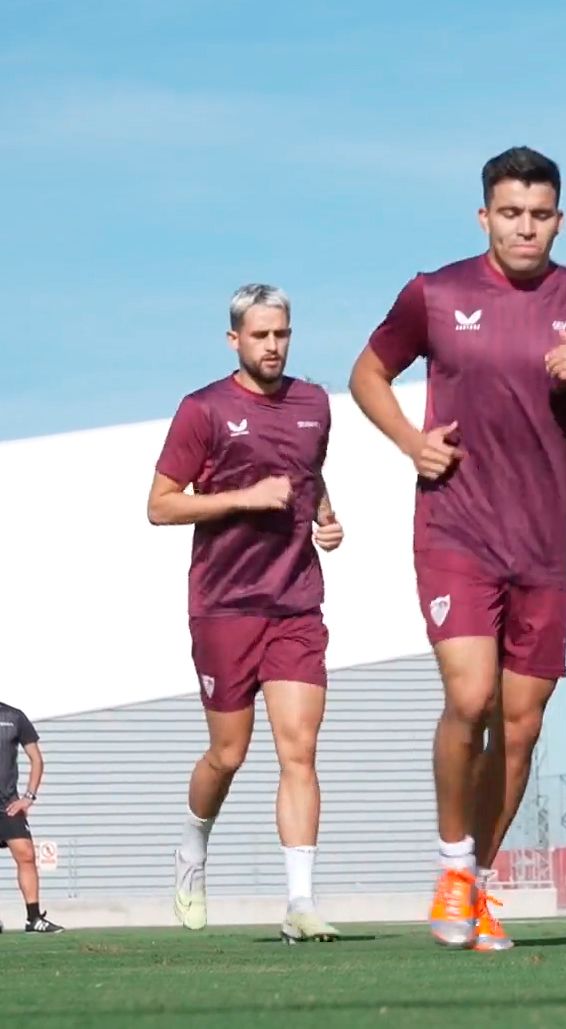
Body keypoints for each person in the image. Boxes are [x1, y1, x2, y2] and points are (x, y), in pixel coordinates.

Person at [348, 146, 566, 951]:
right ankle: (452, 868)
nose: (525, 227)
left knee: (519, 724)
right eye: (510, 213)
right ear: (484, 217)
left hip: (548, 545)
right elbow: (367, 374)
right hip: (457, 528)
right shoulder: (436, 293)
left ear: (559, 219)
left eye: (539, 214)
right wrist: (412, 442)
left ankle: (475, 884)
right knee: (471, 697)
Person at [148, 284, 345, 943]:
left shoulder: (315, 403)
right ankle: (191, 847)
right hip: (223, 603)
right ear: (234, 339)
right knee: (228, 753)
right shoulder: (202, 409)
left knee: (300, 748)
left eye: (282, 334)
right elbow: (162, 504)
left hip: (295, 600)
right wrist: (243, 497)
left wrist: (322, 514)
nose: (272, 345)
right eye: (260, 335)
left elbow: (307, 468)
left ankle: (299, 902)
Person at [0, 702, 63, 933]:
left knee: (26, 854)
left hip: (7, 805)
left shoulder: (13, 716)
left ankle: (34, 919)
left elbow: (36, 759)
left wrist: (28, 797)